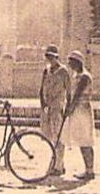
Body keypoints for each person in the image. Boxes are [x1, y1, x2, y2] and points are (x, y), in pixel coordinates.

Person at [38, 43, 71, 177]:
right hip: (48, 107)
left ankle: (58, 165)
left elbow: (69, 92)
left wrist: (67, 107)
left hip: (58, 106)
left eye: (52, 57)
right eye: (48, 56)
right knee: (50, 136)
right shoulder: (46, 71)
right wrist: (42, 104)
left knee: (58, 136)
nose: (50, 59)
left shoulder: (63, 71)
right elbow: (41, 89)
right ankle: (58, 164)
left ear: (56, 57)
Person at [62, 50, 96, 180]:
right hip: (77, 110)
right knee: (82, 140)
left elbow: (77, 95)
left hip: (83, 110)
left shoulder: (84, 77)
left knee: (86, 140)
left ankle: (90, 170)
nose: (69, 65)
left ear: (77, 63)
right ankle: (88, 170)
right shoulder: (77, 75)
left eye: (71, 62)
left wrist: (70, 109)